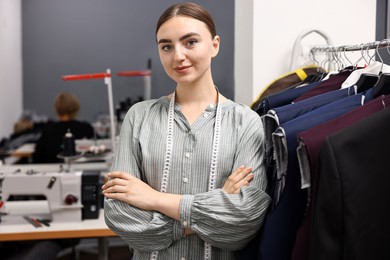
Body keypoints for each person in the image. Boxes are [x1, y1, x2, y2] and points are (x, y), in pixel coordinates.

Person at [102, 2, 271, 260]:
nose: (177, 56)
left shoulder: (246, 122)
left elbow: (244, 221)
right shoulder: (139, 117)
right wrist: (215, 208)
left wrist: (154, 199)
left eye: (190, 42)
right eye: (166, 46)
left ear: (214, 45)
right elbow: (121, 217)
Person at [33, 91, 94, 163]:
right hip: (84, 170)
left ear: (56, 109)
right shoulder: (87, 129)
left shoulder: (47, 131)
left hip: (52, 172)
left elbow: (37, 158)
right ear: (76, 108)